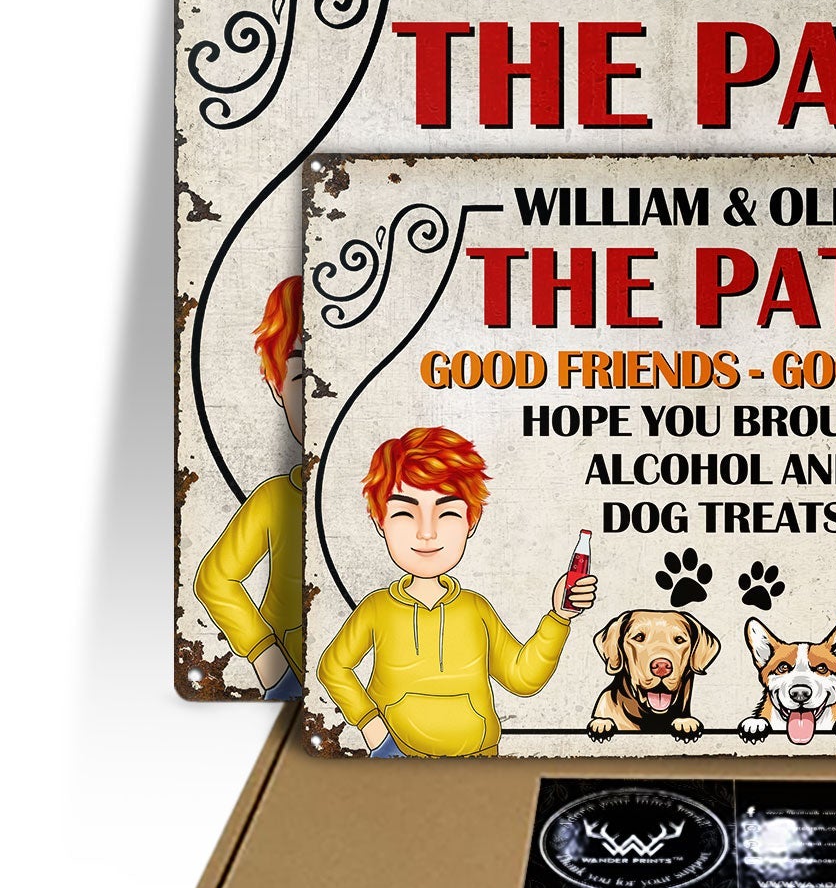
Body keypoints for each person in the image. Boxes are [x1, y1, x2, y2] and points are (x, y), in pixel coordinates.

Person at [316, 427, 596, 756]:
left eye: (447, 512)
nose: (427, 533)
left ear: (471, 521)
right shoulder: (377, 608)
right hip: (399, 763)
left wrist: (559, 616)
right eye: (404, 513)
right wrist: (371, 726)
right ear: (380, 521)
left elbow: (522, 678)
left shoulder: (475, 609)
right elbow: (333, 668)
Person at [193, 276, 306, 700]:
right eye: (302, 376)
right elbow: (215, 579)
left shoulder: (400, 493)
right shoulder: (278, 498)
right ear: (278, 388)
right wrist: (270, 664)